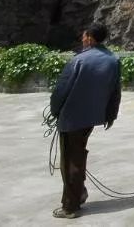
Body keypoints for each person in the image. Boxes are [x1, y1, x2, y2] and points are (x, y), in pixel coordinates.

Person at [49, 23, 122, 219]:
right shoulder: (113, 60)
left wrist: (55, 111)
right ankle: (79, 193)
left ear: (89, 38)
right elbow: (115, 92)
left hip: (71, 118)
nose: (82, 39)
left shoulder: (79, 60)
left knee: (70, 161)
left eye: (83, 36)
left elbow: (61, 91)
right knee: (78, 154)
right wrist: (110, 115)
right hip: (92, 118)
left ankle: (70, 206)